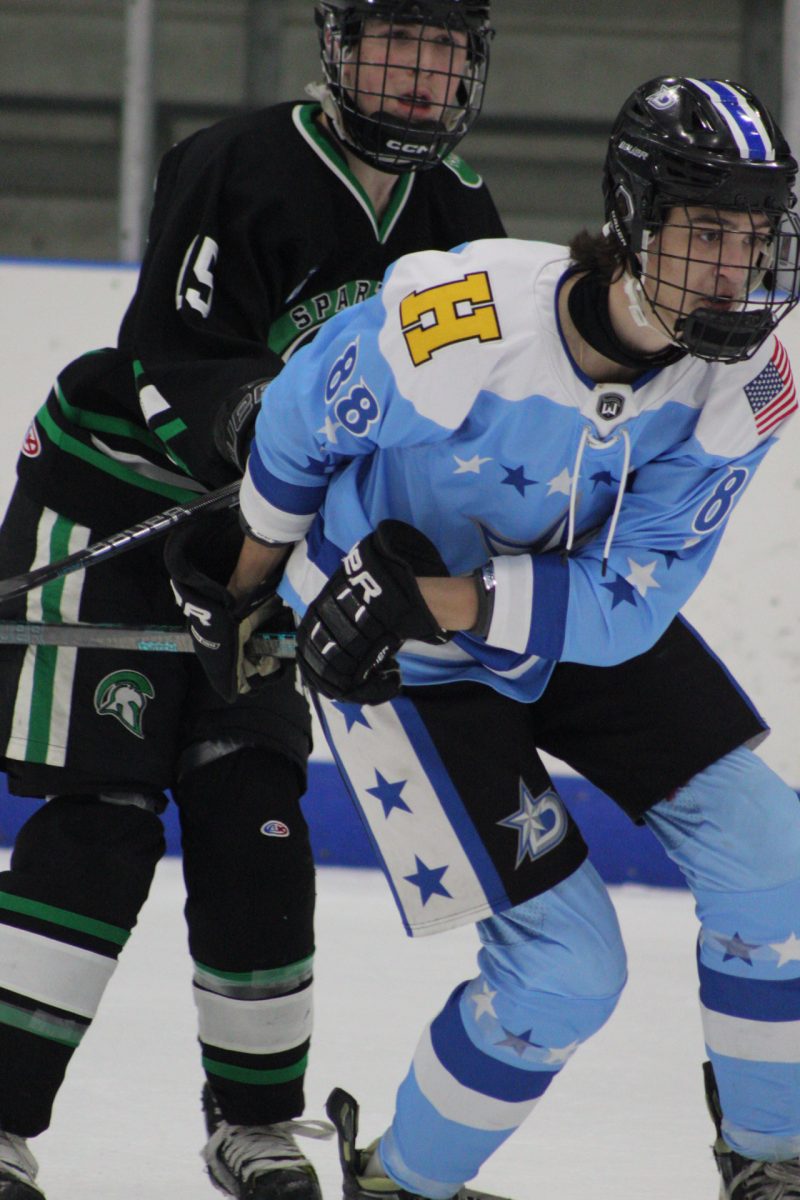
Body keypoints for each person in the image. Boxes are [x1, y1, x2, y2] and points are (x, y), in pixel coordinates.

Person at [175, 76, 800, 1200]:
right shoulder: (457, 317)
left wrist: (448, 599)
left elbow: (629, 601)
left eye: (755, 239)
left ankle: (770, 1162)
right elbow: (300, 419)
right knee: (565, 973)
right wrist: (247, 583)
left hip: (553, 616)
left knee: (780, 872)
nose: (734, 270)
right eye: (707, 232)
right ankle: (399, 1186)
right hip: (388, 656)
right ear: (629, 222)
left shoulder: (748, 379)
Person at [0, 3, 504, 1198]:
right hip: (120, 510)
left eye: (442, 50)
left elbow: (464, 412)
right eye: (394, 41)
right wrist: (268, 440)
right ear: (336, 47)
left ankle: (256, 1126)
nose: (418, 73)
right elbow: (168, 361)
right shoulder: (236, 164)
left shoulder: (461, 219)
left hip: (274, 553)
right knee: (100, 819)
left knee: (254, 819)